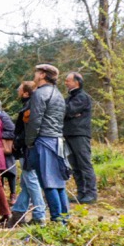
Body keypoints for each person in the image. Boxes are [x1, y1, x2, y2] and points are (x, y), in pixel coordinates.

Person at [27, 64, 71, 225]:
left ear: (43, 74)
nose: (34, 75)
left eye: (36, 72)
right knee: (59, 183)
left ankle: (57, 221)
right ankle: (64, 220)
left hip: (45, 140)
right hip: (58, 140)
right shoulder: (58, 94)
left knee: (48, 182)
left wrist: (29, 141)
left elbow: (35, 121)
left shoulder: (40, 94)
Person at [7, 80, 49, 227]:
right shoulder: (31, 104)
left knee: (31, 181)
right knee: (26, 183)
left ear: (25, 92)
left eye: (19, 89)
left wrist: (18, 142)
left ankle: (39, 215)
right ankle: (18, 213)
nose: (18, 91)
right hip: (30, 147)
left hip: (28, 148)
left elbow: (27, 130)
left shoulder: (30, 106)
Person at [64, 72, 97, 204]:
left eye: (68, 80)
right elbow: (65, 111)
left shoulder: (82, 97)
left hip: (80, 134)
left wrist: (70, 113)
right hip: (70, 133)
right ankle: (81, 193)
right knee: (75, 165)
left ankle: (91, 194)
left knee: (84, 164)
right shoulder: (70, 98)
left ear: (76, 82)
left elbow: (67, 111)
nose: (65, 83)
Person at [0, 97, 18, 200]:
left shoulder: (3, 116)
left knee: (10, 173)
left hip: (5, 149)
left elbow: (12, 131)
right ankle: (0, 197)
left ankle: (13, 194)